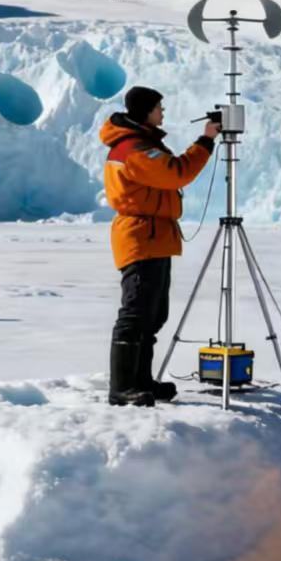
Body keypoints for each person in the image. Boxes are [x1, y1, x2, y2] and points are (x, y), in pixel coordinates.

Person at [100, 85, 220, 406]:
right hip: (141, 236)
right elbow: (176, 172)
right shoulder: (134, 149)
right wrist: (206, 140)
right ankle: (122, 388)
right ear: (146, 111)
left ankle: (141, 381)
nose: (162, 112)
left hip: (153, 235)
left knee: (153, 316)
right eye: (158, 107)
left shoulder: (142, 144)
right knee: (136, 314)